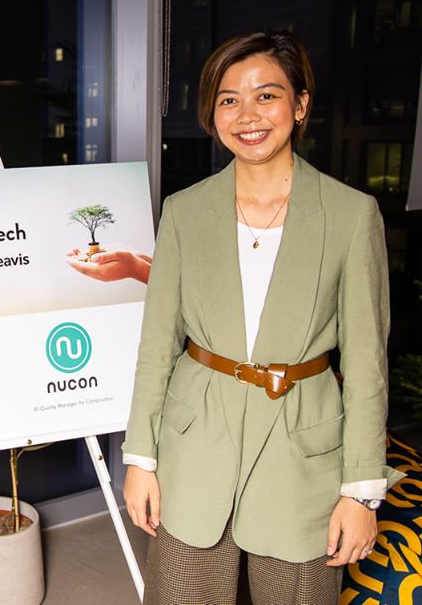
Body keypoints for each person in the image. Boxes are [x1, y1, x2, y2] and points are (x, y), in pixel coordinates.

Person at [121, 31, 404, 605]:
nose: (247, 116)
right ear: (212, 114)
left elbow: (367, 366)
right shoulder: (184, 211)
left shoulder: (352, 216)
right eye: (229, 99)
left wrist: (361, 491)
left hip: (302, 452)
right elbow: (157, 346)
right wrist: (140, 459)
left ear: (300, 105)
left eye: (267, 96)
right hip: (195, 443)